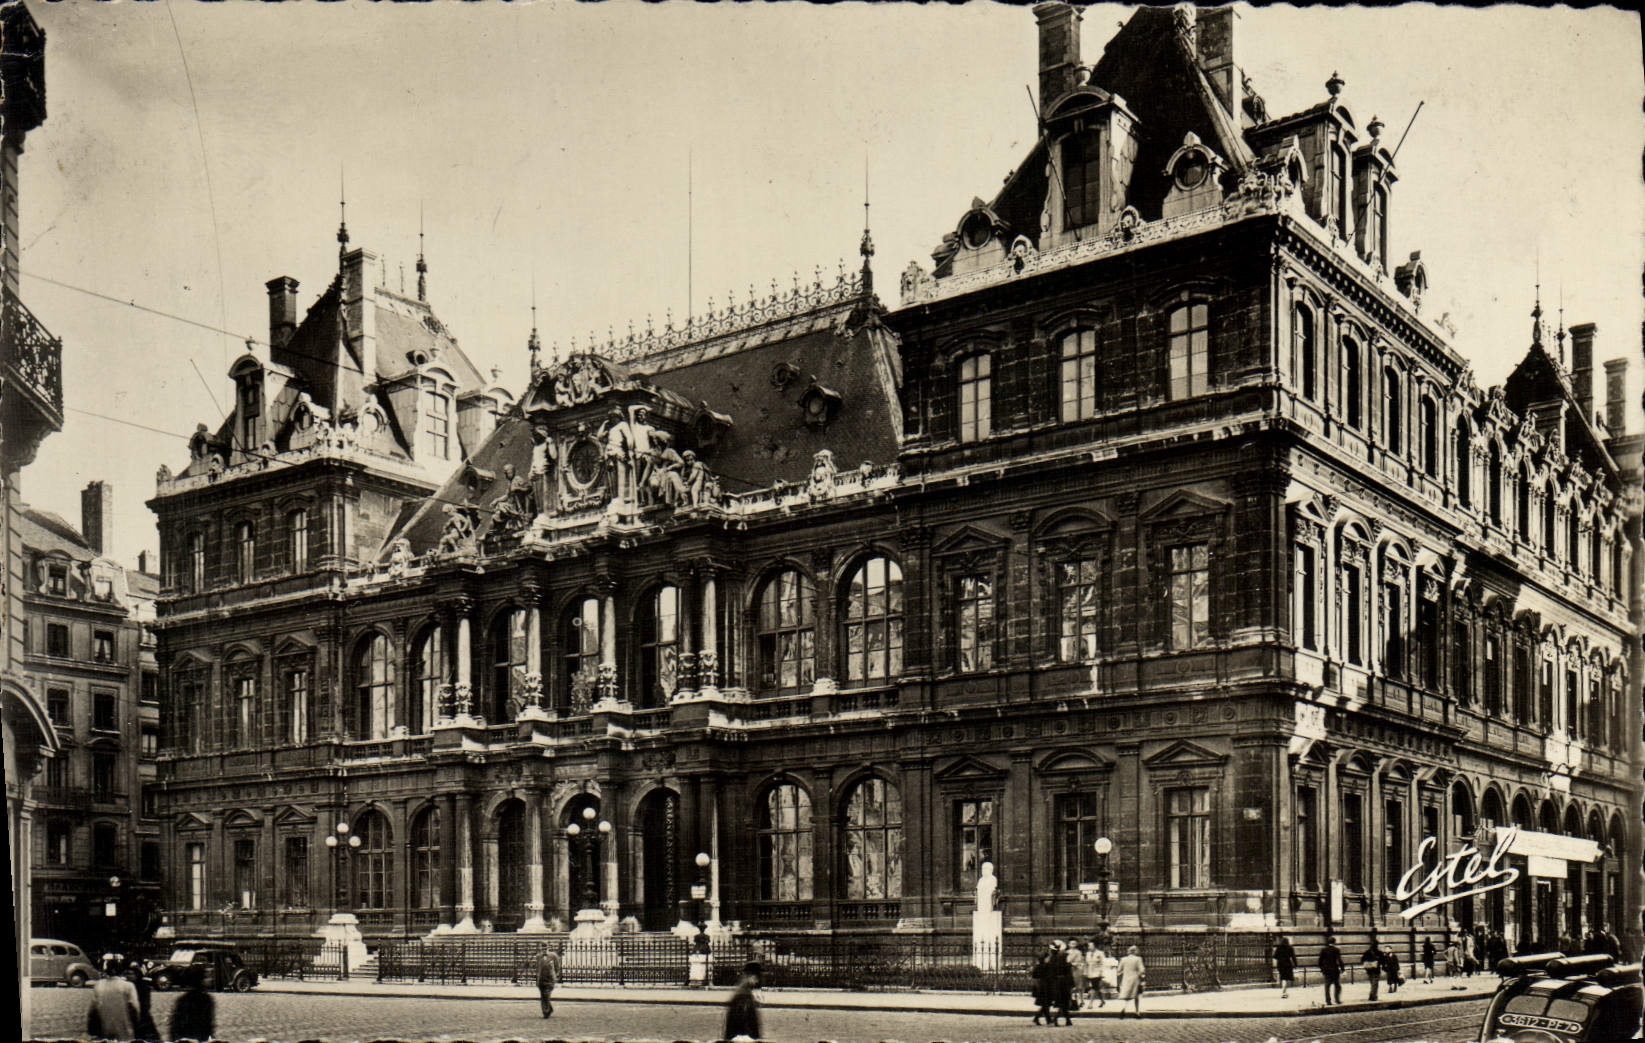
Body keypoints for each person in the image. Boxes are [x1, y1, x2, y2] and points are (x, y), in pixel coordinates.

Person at [86, 957, 139, 1041]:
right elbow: (135, 1008)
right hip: (124, 1028)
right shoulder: (128, 986)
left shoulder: (99, 985)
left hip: (105, 1027)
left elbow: (92, 1010)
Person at [169, 966, 215, 1043]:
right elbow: (208, 1026)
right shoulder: (206, 1000)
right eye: (206, 977)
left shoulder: (182, 999)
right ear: (200, 980)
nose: (211, 979)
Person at [723, 961, 762, 1041]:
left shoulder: (743, 991)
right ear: (750, 976)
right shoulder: (743, 995)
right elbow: (744, 1022)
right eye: (756, 977)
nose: (757, 981)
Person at [125, 961, 160, 1043]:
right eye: (126, 973)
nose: (127, 976)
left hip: (142, 1019)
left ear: (136, 975)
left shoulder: (143, 986)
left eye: (130, 974)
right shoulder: (126, 987)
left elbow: (145, 1005)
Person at [1048, 941, 1075, 1025]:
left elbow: (1051, 972)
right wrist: (1072, 984)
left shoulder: (1052, 959)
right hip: (1064, 983)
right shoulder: (1064, 959)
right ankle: (1056, 1018)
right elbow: (1068, 973)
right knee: (1064, 1002)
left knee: (1062, 1002)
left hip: (1056, 982)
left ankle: (1068, 1020)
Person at [1116, 945, 1146, 1018]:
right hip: (1135, 979)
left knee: (1127, 996)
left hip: (1126, 979)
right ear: (1135, 951)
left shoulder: (1123, 959)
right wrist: (1141, 976)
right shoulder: (1138, 959)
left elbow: (1119, 970)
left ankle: (1124, 1008)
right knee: (1136, 996)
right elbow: (1142, 970)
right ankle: (1137, 1011)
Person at [535, 941, 562, 1018]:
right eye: (542, 947)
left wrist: (555, 975)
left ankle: (546, 1011)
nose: (544, 949)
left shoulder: (553, 956)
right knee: (542, 995)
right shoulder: (538, 956)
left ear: (548, 948)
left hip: (550, 979)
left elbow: (557, 967)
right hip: (541, 978)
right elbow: (537, 968)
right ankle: (548, 1009)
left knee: (547, 994)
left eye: (545, 947)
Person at [1030, 945, 1053, 1025]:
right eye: (1047, 958)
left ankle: (1042, 1019)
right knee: (1046, 1004)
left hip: (1040, 987)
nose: (1049, 959)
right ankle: (1046, 1019)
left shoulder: (1037, 967)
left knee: (1045, 1004)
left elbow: (1034, 977)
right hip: (1045, 987)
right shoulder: (1047, 966)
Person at [1319, 934, 1343, 1006]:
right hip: (1335, 970)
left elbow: (1320, 961)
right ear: (1334, 942)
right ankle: (1337, 999)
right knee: (1337, 985)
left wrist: (1322, 969)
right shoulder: (1336, 950)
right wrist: (1343, 969)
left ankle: (1328, 1001)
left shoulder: (1324, 950)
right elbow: (1339, 960)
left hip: (1327, 971)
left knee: (1327, 986)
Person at [1083, 938, 1107, 1008]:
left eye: (1090, 946)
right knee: (1097, 988)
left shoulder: (1100, 953)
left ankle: (1090, 1003)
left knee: (1093, 987)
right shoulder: (1088, 954)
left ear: (1094, 946)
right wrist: (1085, 972)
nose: (1089, 947)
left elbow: (1103, 963)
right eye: (1088, 946)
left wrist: (1102, 972)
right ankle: (1102, 1000)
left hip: (1097, 973)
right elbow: (1086, 963)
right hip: (1090, 973)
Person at [1067, 939, 1088, 1010]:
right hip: (1070, 970)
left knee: (1079, 986)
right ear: (1069, 944)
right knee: (1070, 986)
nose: (1073, 945)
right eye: (1071, 943)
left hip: (1077, 970)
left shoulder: (1078, 952)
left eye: (1074, 943)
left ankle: (1081, 1000)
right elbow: (1067, 961)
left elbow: (1080, 960)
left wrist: (1077, 964)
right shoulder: (1067, 952)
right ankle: (1070, 1000)